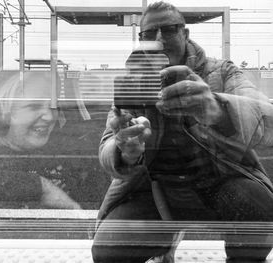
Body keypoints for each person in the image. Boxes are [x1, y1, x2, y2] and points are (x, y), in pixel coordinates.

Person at [92, 2, 273, 263]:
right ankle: (167, 235)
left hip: (219, 181)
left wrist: (215, 107)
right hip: (154, 189)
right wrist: (126, 151)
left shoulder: (221, 72)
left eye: (168, 30)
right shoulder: (134, 80)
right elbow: (108, 144)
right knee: (108, 251)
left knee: (262, 212)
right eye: (148, 34)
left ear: (185, 34)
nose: (158, 39)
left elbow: (267, 119)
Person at [0, 70, 89, 209]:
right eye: (34, 106)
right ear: (1, 112)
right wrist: (41, 187)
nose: (50, 117)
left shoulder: (61, 152)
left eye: (54, 106)